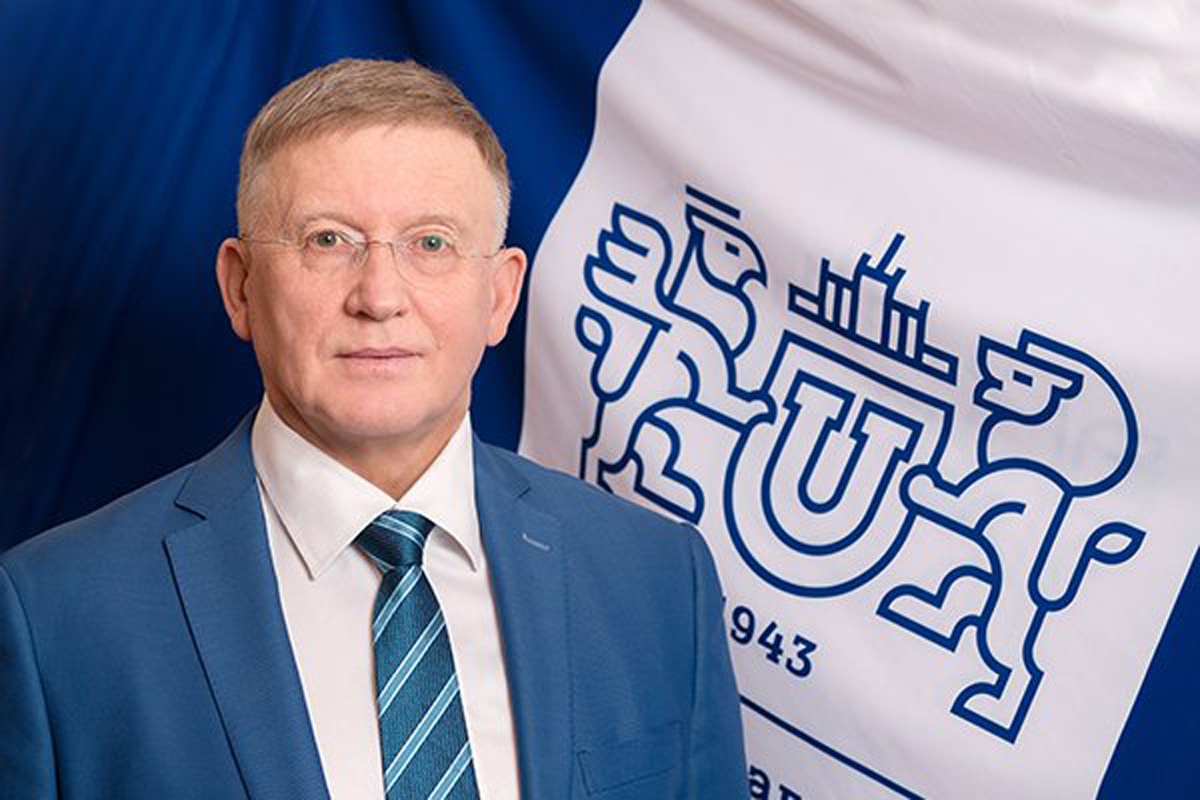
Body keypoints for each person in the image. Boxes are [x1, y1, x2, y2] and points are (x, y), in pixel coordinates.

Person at [0, 58, 746, 799]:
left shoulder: (657, 579)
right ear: (241, 287)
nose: (380, 296)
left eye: (431, 243)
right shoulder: (53, 618)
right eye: (328, 240)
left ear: (499, 295)